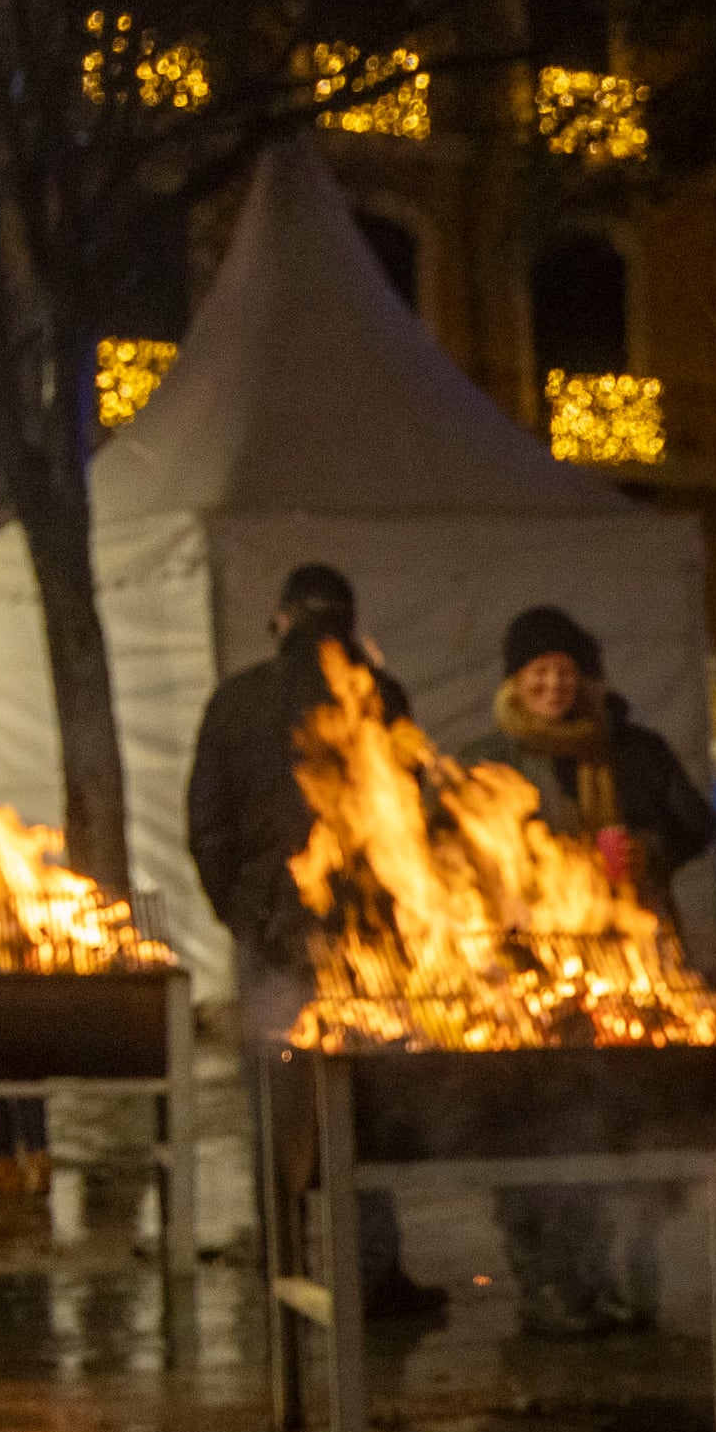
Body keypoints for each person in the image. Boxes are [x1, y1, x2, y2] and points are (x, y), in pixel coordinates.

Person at [184, 561, 440, 1321]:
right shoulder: (378, 696)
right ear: (349, 624)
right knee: (365, 1090)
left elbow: (207, 826)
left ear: (280, 617)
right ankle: (374, 1270)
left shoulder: (235, 701)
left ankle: (284, 1258)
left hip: (271, 927)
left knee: (280, 1094)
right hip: (365, 931)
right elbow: (409, 822)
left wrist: (240, 912)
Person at [488, 601, 716, 1335]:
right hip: (538, 969)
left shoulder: (634, 749)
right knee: (541, 1126)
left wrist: (649, 849)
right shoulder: (490, 759)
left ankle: (630, 1274)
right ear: (516, 682)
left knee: (631, 1123)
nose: (555, 685)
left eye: (566, 671)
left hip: (631, 962)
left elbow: (698, 822)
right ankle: (551, 1283)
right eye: (539, 672)